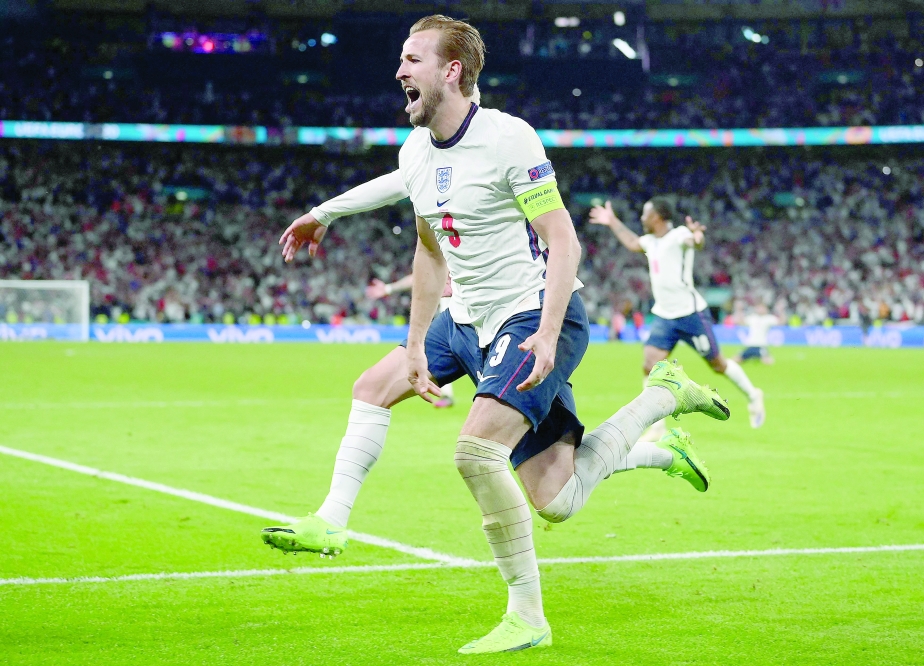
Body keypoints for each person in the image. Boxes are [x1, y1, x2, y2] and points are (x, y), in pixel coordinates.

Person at [263, 16, 730, 654]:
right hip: (465, 322)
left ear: (451, 70)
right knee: (547, 493)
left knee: (475, 453)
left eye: (412, 59)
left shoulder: (509, 138)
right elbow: (430, 254)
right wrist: (414, 343)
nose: (399, 71)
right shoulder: (416, 153)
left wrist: (547, 333)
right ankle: (331, 520)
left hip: (531, 317)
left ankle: (527, 616)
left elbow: (564, 241)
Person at [589, 198, 766, 429]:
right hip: (665, 315)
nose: (642, 218)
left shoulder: (679, 235)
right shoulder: (650, 241)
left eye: (645, 214)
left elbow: (695, 241)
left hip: (691, 314)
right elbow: (632, 242)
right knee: (650, 365)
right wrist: (612, 221)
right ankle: (656, 427)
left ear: (657, 217)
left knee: (718, 364)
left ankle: (753, 395)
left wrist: (698, 236)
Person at [366, 274, 457, 407]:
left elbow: (422, 276)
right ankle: (447, 395)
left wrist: (388, 288)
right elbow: (423, 275)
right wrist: (388, 289)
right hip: (454, 323)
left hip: (461, 323)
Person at [733, 301, 780, 366]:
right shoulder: (752, 318)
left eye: (762, 308)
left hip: (761, 345)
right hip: (750, 345)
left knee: (768, 362)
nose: (760, 309)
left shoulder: (769, 318)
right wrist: (739, 310)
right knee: (736, 360)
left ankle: (759, 358)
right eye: (759, 308)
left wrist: (780, 310)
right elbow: (740, 322)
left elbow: (780, 322)